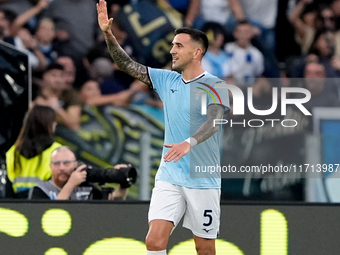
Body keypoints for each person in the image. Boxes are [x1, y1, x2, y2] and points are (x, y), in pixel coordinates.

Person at [97, 1, 230, 254]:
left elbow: (214, 122)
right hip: (169, 175)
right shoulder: (165, 78)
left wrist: (188, 143)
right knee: (154, 242)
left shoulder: (216, 85)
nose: (172, 51)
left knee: (204, 249)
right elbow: (127, 65)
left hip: (202, 180)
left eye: (179, 45)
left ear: (197, 52)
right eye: (172, 45)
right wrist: (108, 34)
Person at [28, 146, 129, 200]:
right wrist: (70, 185)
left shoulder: (86, 187)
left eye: (66, 163)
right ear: (50, 166)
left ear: (75, 164)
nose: (62, 168)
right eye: (57, 164)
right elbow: (52, 215)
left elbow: (115, 200)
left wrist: (123, 182)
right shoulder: (40, 190)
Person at [5, 105, 62, 198]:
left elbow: (8, 192)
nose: (55, 124)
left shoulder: (13, 152)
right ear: (47, 124)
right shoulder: (58, 152)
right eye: (53, 121)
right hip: (46, 203)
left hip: (17, 205)